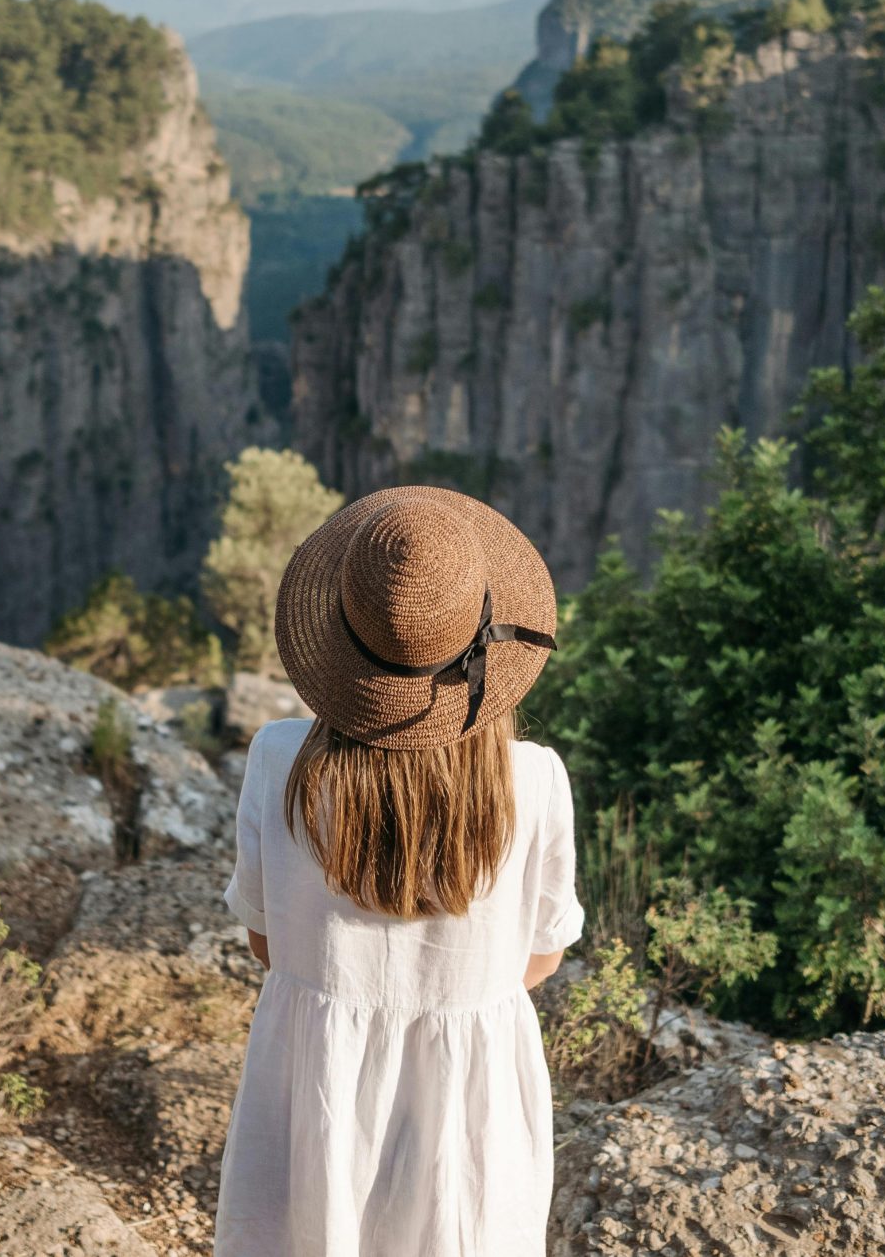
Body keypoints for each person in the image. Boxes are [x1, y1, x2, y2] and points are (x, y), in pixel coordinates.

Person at [213, 484, 583, 1256]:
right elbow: (539, 958)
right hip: (470, 1109)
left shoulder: (277, 758)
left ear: (341, 648)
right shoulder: (537, 778)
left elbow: (265, 945)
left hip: (316, 1086)